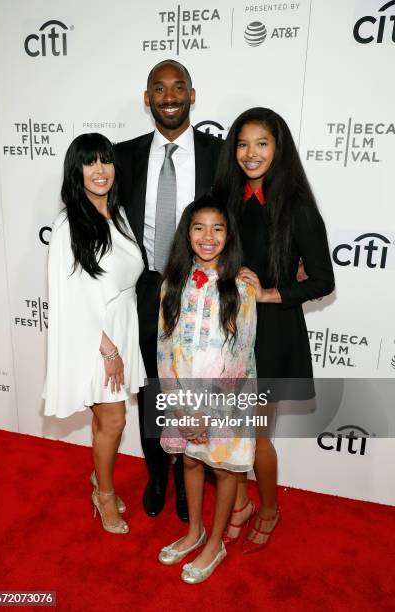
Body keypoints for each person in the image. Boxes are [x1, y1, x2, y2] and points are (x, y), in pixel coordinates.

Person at [214, 107, 335, 553]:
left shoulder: (296, 207)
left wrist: (268, 293)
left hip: (274, 334)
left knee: (256, 433)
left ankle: (268, 509)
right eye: (243, 144)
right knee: (229, 429)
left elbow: (323, 279)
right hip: (226, 332)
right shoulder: (226, 197)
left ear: (278, 148)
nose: (251, 153)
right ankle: (241, 503)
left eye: (261, 143)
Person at [114, 60, 223, 521]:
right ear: (147, 99)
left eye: (179, 87)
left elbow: (246, 221)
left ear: (193, 95)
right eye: (159, 88)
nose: (169, 95)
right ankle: (158, 475)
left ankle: (189, 481)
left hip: (200, 289)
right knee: (153, 391)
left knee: (195, 390)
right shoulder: (123, 156)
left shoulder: (220, 155)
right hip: (144, 290)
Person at [44, 133, 146, 534]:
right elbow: (69, 295)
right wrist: (107, 349)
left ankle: (99, 479)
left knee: (107, 421)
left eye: (106, 161)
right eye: (90, 163)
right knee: (114, 420)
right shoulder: (69, 224)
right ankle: (104, 494)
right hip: (95, 336)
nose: (100, 170)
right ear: (76, 170)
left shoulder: (117, 216)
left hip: (123, 323)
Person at [156, 194, 257, 583]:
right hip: (184, 397)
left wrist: (206, 411)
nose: (208, 236)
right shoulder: (172, 285)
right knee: (191, 460)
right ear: (187, 234)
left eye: (218, 228)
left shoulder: (242, 288)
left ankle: (216, 543)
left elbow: (240, 356)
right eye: (199, 228)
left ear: (229, 235)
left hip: (226, 402)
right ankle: (194, 530)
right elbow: (164, 349)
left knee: (225, 468)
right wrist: (181, 406)